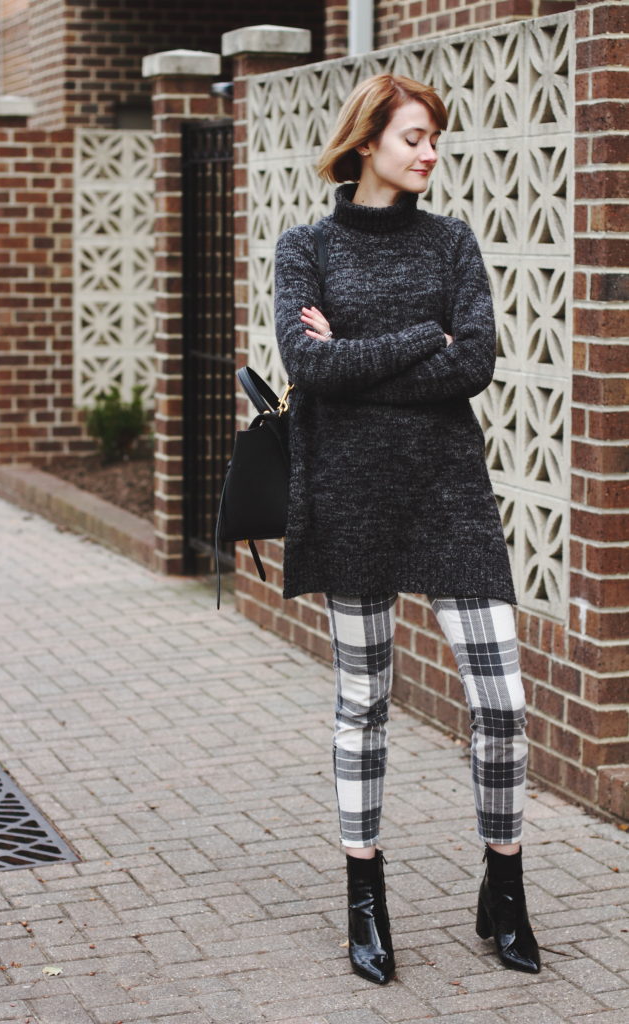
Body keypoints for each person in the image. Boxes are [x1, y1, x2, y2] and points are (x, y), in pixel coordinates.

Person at [273, 74, 540, 985]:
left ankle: (502, 887)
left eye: (435, 139)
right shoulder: (304, 247)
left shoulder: (451, 242)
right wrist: (415, 338)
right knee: (363, 703)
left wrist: (352, 362)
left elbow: (475, 362)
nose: (430, 153)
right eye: (416, 136)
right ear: (367, 143)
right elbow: (303, 363)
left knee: (501, 702)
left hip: (446, 490)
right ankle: (365, 895)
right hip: (349, 494)